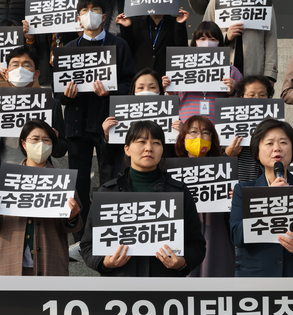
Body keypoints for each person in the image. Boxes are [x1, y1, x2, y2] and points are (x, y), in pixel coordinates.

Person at [80, 121, 206, 277]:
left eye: (156, 143)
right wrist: (104, 263)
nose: (149, 148)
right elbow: (87, 246)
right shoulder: (109, 192)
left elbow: (197, 245)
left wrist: (182, 262)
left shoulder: (178, 191)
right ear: (127, 149)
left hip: (166, 288)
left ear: (162, 150)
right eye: (141, 142)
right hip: (120, 288)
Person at [56, 0, 137, 241]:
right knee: (79, 184)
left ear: (104, 17)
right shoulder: (69, 47)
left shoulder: (118, 45)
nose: (90, 15)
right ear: (78, 18)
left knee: (110, 180)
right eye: (84, 11)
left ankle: (110, 233)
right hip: (76, 127)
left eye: (96, 10)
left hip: (109, 125)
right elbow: (58, 93)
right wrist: (66, 95)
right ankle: (80, 238)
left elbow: (130, 83)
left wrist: (111, 92)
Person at [229, 119, 293, 277]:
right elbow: (236, 235)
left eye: (283, 142)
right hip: (258, 277)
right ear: (257, 151)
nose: (277, 148)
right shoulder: (243, 190)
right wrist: (268, 199)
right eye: (269, 143)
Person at [0, 120, 82, 276]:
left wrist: (72, 217)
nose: (40, 144)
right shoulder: (7, 180)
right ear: (23, 143)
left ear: (52, 145)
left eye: (46, 140)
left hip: (50, 262)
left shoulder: (62, 181)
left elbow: (74, 226)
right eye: (34, 139)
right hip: (10, 263)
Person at [0, 45, 68, 179]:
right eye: (15, 65)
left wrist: (55, 139)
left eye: (26, 65)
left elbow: (61, 151)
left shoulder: (51, 104)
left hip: (39, 178)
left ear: (36, 74)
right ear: (6, 73)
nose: (20, 70)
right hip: (3, 175)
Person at [175, 115, 234, 277]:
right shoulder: (169, 173)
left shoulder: (227, 172)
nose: (199, 137)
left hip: (217, 242)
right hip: (183, 246)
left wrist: (238, 200)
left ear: (212, 138)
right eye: (193, 132)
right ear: (183, 138)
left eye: (205, 132)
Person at [162, 21, 242, 124]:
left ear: (219, 43)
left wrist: (233, 92)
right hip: (186, 129)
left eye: (212, 39)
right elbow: (170, 106)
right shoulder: (179, 68)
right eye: (202, 39)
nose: (207, 43)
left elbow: (243, 103)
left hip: (219, 129)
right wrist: (170, 90)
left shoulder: (231, 71)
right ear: (195, 42)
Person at [203, 0, 278, 82]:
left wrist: (270, 74)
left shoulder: (262, 1)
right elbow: (204, 33)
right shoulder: (216, 1)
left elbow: (270, 39)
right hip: (223, 69)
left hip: (255, 69)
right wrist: (225, 37)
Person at [225, 75, 275, 182]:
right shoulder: (228, 119)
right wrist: (228, 154)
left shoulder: (275, 124)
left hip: (264, 182)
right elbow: (217, 156)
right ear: (242, 96)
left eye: (262, 95)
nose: (256, 98)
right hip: (235, 181)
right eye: (251, 95)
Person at [115, 8, 190, 77]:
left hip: (166, 76)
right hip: (140, 75)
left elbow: (182, 50)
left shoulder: (175, 21)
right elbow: (128, 50)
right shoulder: (134, 21)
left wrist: (180, 24)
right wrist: (126, 27)